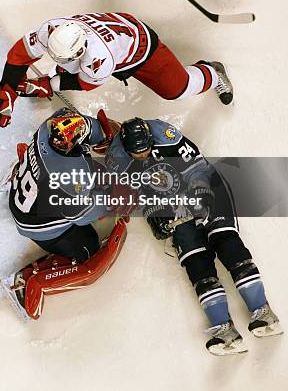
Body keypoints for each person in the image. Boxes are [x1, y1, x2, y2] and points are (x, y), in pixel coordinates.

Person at [105, 117, 283, 355]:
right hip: (172, 203)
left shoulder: (164, 134)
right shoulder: (116, 160)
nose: (143, 154)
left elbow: (198, 168)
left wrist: (200, 194)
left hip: (206, 187)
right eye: (137, 153)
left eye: (147, 148)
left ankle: (264, 313)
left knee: (226, 243)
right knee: (196, 263)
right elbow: (135, 195)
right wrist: (154, 218)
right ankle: (224, 331)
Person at [0, 11, 233, 129]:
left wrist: (47, 84)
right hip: (115, 33)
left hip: (140, 49)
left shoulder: (98, 59)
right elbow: (18, 55)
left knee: (177, 89)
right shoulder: (53, 30)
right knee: (68, 71)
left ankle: (212, 72)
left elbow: (85, 83)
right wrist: (6, 90)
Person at [0, 108, 128, 320]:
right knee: (88, 247)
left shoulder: (50, 125)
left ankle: (19, 174)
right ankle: (27, 282)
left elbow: (86, 126)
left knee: (91, 174)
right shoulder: (68, 174)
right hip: (35, 223)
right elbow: (83, 215)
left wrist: (103, 135)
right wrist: (113, 203)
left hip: (26, 190)